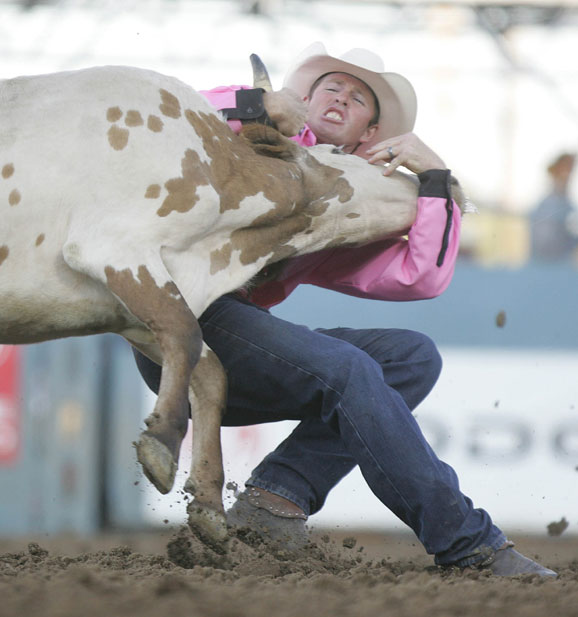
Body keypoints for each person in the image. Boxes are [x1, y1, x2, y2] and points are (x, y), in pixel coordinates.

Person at [134, 42, 556, 577]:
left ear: (369, 137)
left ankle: (277, 497)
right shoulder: (253, 126)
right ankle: (468, 544)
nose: (341, 96)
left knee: (411, 357)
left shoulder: (350, 200)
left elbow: (421, 275)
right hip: (178, 322)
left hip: (234, 340)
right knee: (351, 371)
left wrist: (433, 178)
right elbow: (169, 118)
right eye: (332, 86)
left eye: (358, 99)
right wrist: (257, 107)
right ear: (303, 99)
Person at [530, 152, 578, 263]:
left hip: (563, 266)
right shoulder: (547, 205)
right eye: (566, 169)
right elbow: (545, 244)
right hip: (548, 268)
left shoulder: (568, 205)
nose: (569, 175)